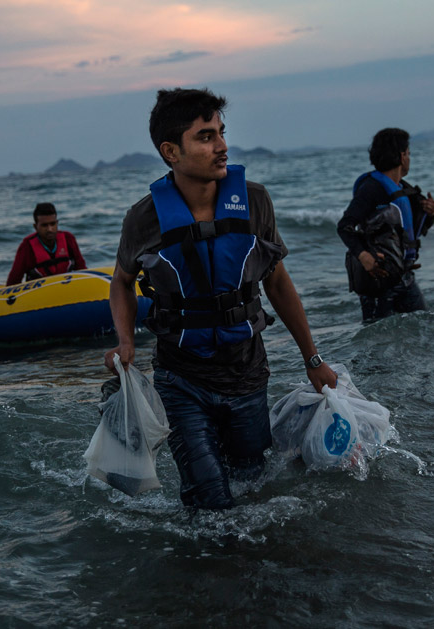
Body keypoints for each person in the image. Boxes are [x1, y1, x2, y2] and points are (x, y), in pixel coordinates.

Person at [105, 87, 337, 510]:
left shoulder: (254, 202)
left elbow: (278, 283)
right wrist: (125, 341)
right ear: (171, 151)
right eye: (206, 136)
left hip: (247, 375)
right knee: (209, 499)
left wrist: (313, 359)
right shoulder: (143, 218)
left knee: (251, 484)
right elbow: (120, 281)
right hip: (181, 380)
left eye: (221, 133)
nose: (222, 146)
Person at [337, 128, 434, 323]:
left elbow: (415, 229)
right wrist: (364, 256)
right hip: (377, 283)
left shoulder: (404, 190)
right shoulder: (370, 189)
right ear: (402, 156)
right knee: (378, 345)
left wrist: (430, 213)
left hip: (405, 278)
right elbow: (344, 226)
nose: (409, 158)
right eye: (409, 154)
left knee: (425, 330)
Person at [6, 202, 87, 284]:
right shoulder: (26, 247)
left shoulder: (68, 239)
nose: (50, 229)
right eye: (44, 225)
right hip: (40, 293)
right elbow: (13, 282)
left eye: (53, 224)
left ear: (57, 223)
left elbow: (82, 270)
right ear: (35, 227)